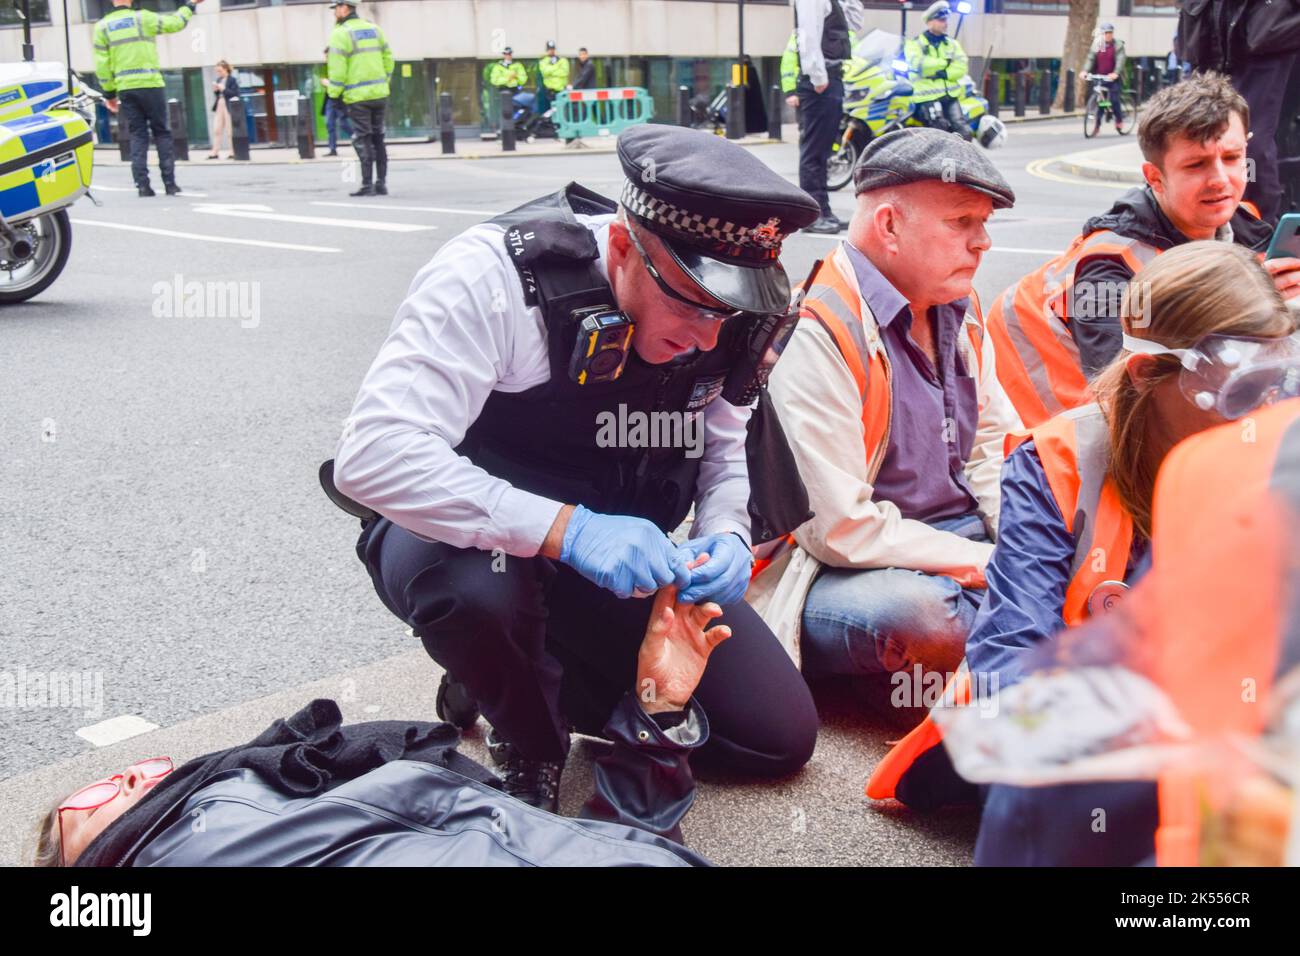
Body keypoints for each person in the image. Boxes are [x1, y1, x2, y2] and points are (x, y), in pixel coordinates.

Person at [330, 125, 822, 814]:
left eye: (728, 312)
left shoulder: (727, 306)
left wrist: (727, 532)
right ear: (621, 245)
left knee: (774, 736)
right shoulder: (495, 277)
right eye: (688, 303)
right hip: (467, 543)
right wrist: (571, 530)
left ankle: (516, 672)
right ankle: (525, 727)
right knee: (480, 600)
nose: (708, 337)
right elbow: (374, 454)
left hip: (618, 554)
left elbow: (727, 439)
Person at [875, 241, 1300, 816]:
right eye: (1240, 392)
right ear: (1146, 372)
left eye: (1275, 384)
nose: (1261, 413)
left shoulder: (1269, 446)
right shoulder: (1056, 461)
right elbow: (1010, 655)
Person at [37, 584, 731, 867]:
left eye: (122, 772)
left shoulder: (272, 792)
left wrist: (657, 713)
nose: (131, 774)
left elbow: (586, 847)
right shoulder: (164, 855)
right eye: (94, 799)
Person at [749, 128, 1021, 712]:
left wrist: (1022, 545)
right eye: (962, 222)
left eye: (983, 222)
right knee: (921, 617)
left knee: (1076, 554)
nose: (983, 242)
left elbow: (992, 449)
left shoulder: (958, 303)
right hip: (845, 569)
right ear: (890, 225)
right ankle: (1004, 646)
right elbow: (838, 530)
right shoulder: (817, 325)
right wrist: (992, 566)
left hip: (957, 547)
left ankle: (970, 656)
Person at [987, 73, 1300, 429]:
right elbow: (1133, 390)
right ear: (1154, 177)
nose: (1220, 179)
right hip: (1047, 436)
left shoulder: (1244, 226)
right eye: (1196, 165)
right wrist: (1252, 308)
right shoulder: (1108, 267)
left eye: (1232, 157)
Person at [1177, 0, 1300, 223]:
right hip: (1211, 40)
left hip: (1268, 41)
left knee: (1251, 147)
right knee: (1192, 141)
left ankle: (1258, 223)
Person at [92, 0, 205, 197]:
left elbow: (102, 65)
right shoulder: (143, 18)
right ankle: (170, 184)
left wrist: (109, 93)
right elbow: (175, 23)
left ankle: (143, 186)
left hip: (126, 88)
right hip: (151, 84)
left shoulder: (102, 27)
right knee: (161, 132)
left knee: (138, 135)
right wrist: (190, 5)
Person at [794, 0, 865, 234]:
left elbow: (854, 24)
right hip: (820, 82)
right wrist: (818, 78)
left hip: (833, 77)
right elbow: (808, 35)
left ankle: (823, 210)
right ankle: (812, 216)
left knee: (823, 152)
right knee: (814, 151)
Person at [326, 0, 393, 197]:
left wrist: (334, 95)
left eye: (336, 8)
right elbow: (389, 59)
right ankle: (381, 184)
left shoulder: (340, 33)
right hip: (380, 94)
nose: (334, 13)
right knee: (378, 138)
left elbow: (337, 70)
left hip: (357, 97)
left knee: (363, 139)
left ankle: (367, 185)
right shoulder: (375, 29)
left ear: (345, 8)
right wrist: (384, 82)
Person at [903, 1, 971, 142]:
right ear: (930, 22)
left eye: (946, 20)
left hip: (950, 96)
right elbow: (919, 64)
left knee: (963, 131)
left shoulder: (952, 44)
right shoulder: (915, 43)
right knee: (939, 129)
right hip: (926, 97)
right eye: (941, 20)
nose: (945, 23)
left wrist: (945, 73)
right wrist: (945, 63)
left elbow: (962, 66)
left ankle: (961, 156)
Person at [1083, 21, 1127, 133]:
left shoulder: (1117, 45)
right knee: (1101, 102)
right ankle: (1097, 126)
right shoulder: (1099, 45)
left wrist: (1116, 73)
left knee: (1114, 100)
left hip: (1113, 78)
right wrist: (1085, 71)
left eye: (1110, 32)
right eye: (1106, 33)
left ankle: (1119, 120)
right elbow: (1091, 58)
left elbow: (1120, 60)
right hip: (1100, 77)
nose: (1108, 35)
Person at [319, 47, 353, 156]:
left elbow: (343, 82)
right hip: (330, 98)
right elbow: (323, 80)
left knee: (343, 124)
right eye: (326, 56)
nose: (326, 58)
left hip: (341, 99)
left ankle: (358, 139)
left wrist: (330, 83)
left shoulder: (341, 65)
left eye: (328, 56)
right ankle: (332, 149)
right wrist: (329, 83)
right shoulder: (325, 67)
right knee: (330, 124)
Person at [206, 60, 238, 160]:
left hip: (228, 105)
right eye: (217, 71)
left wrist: (223, 89)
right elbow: (218, 94)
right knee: (217, 129)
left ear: (226, 69)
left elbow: (234, 94)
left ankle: (232, 151)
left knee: (229, 130)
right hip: (220, 104)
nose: (218, 73)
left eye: (220, 71)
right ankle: (215, 152)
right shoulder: (219, 79)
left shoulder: (232, 80)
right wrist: (216, 90)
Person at [536, 41, 569, 115]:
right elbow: (545, 72)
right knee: (550, 112)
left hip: (561, 91)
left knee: (562, 112)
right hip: (549, 92)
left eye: (552, 49)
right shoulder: (543, 61)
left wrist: (551, 71)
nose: (551, 51)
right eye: (549, 49)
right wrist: (557, 67)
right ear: (547, 50)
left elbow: (564, 72)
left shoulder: (562, 60)